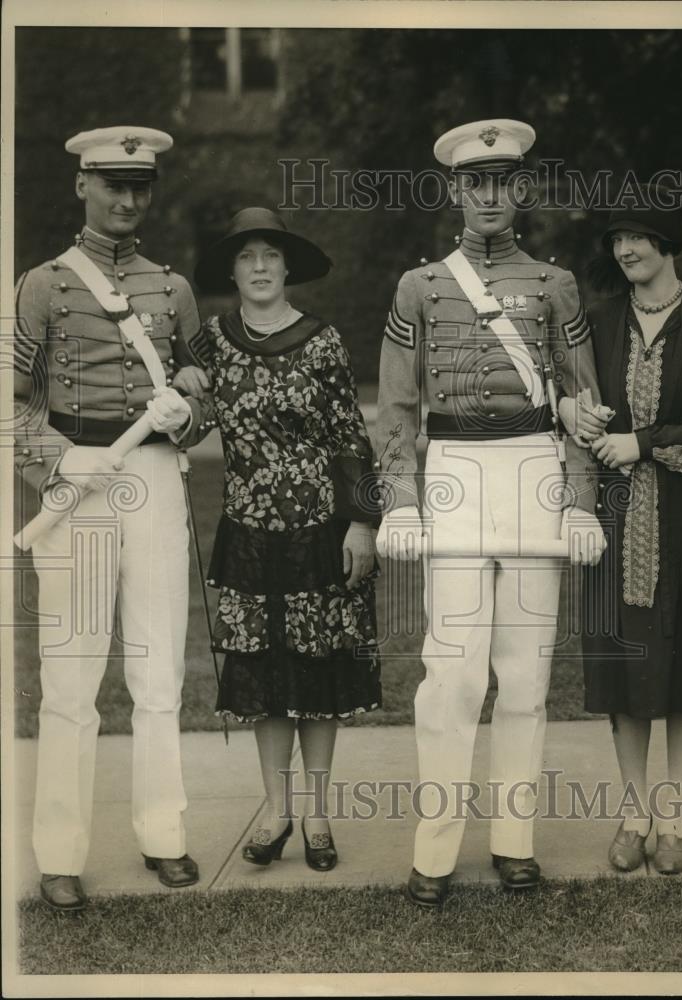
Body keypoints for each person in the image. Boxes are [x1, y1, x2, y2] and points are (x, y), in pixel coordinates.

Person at [373, 119, 606, 908]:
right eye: (476, 182)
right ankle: (433, 848)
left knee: (526, 677)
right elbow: (398, 406)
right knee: (449, 674)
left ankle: (515, 841)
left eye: (504, 181)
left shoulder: (554, 284)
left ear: (522, 190)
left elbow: (582, 402)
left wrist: (578, 502)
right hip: (457, 476)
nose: (490, 195)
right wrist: (400, 498)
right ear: (453, 191)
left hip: (534, 469)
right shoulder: (420, 286)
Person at [13, 126, 216, 911]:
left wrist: (184, 415)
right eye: (112, 184)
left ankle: (163, 833)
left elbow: (199, 394)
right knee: (69, 680)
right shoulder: (42, 284)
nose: (128, 199)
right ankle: (59, 852)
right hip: (76, 485)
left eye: (140, 186)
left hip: (157, 480)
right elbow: (10, 403)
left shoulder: (173, 288)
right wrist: (58, 459)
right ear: (82, 187)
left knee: (158, 670)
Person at [174, 207, 381, 871]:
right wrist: (182, 389)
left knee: (318, 671)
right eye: (246, 256)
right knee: (262, 671)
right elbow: (185, 428)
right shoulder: (209, 341)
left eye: (270, 255)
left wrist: (360, 522)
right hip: (250, 533)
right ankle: (275, 809)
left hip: (319, 531)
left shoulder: (321, 340)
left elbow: (351, 434)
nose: (259, 267)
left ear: (287, 266)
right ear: (231, 270)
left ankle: (317, 814)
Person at [559, 186, 682, 874]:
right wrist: (572, 411)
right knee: (625, 664)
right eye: (616, 239)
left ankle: (674, 816)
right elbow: (571, 394)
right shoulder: (598, 323)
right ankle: (633, 811)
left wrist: (645, 442)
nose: (625, 249)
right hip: (612, 519)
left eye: (637, 237)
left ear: (667, 243)